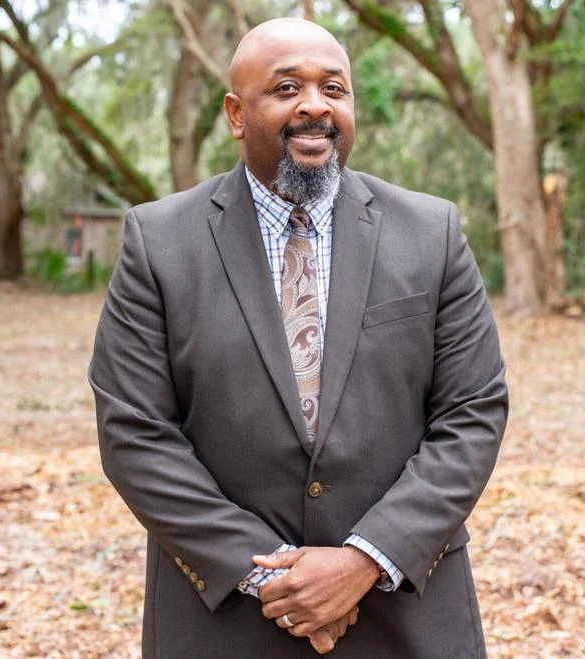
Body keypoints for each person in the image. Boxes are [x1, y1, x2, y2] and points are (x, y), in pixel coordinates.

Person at [88, 17, 508, 658]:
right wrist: (272, 577)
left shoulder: (432, 233)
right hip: (225, 618)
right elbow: (135, 434)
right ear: (236, 113)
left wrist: (364, 561)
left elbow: (472, 413)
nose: (314, 105)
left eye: (333, 89)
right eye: (287, 88)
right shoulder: (159, 243)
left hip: (404, 612)